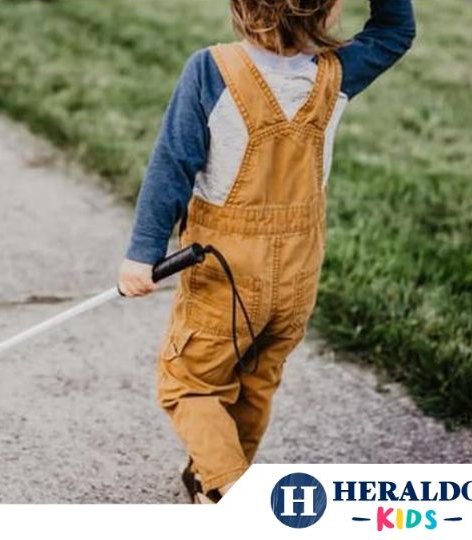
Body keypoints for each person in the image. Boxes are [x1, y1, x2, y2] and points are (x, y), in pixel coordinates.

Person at [117, 0, 415, 503]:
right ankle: (212, 476)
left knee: (188, 382)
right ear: (329, 9)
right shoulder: (336, 73)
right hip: (297, 277)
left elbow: (173, 162)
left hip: (224, 273)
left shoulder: (211, 71)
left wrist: (143, 253)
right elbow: (395, 27)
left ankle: (230, 489)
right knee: (255, 382)